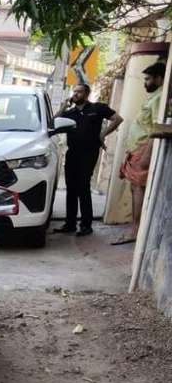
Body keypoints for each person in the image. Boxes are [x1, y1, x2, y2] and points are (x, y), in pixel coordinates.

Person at [54, 83, 123, 237]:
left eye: (79, 92)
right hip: (72, 153)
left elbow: (118, 119)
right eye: (74, 91)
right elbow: (53, 123)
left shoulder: (97, 108)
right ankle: (70, 224)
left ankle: (86, 225)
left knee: (83, 186)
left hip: (89, 153)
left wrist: (103, 133)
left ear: (86, 94)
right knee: (71, 188)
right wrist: (63, 107)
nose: (75, 94)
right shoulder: (70, 113)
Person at [115, 61, 166, 246]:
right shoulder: (154, 97)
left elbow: (155, 128)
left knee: (138, 189)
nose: (145, 83)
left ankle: (136, 230)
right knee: (134, 188)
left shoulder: (159, 98)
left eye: (148, 79)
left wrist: (145, 157)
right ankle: (135, 228)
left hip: (143, 150)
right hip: (136, 150)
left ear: (159, 78)